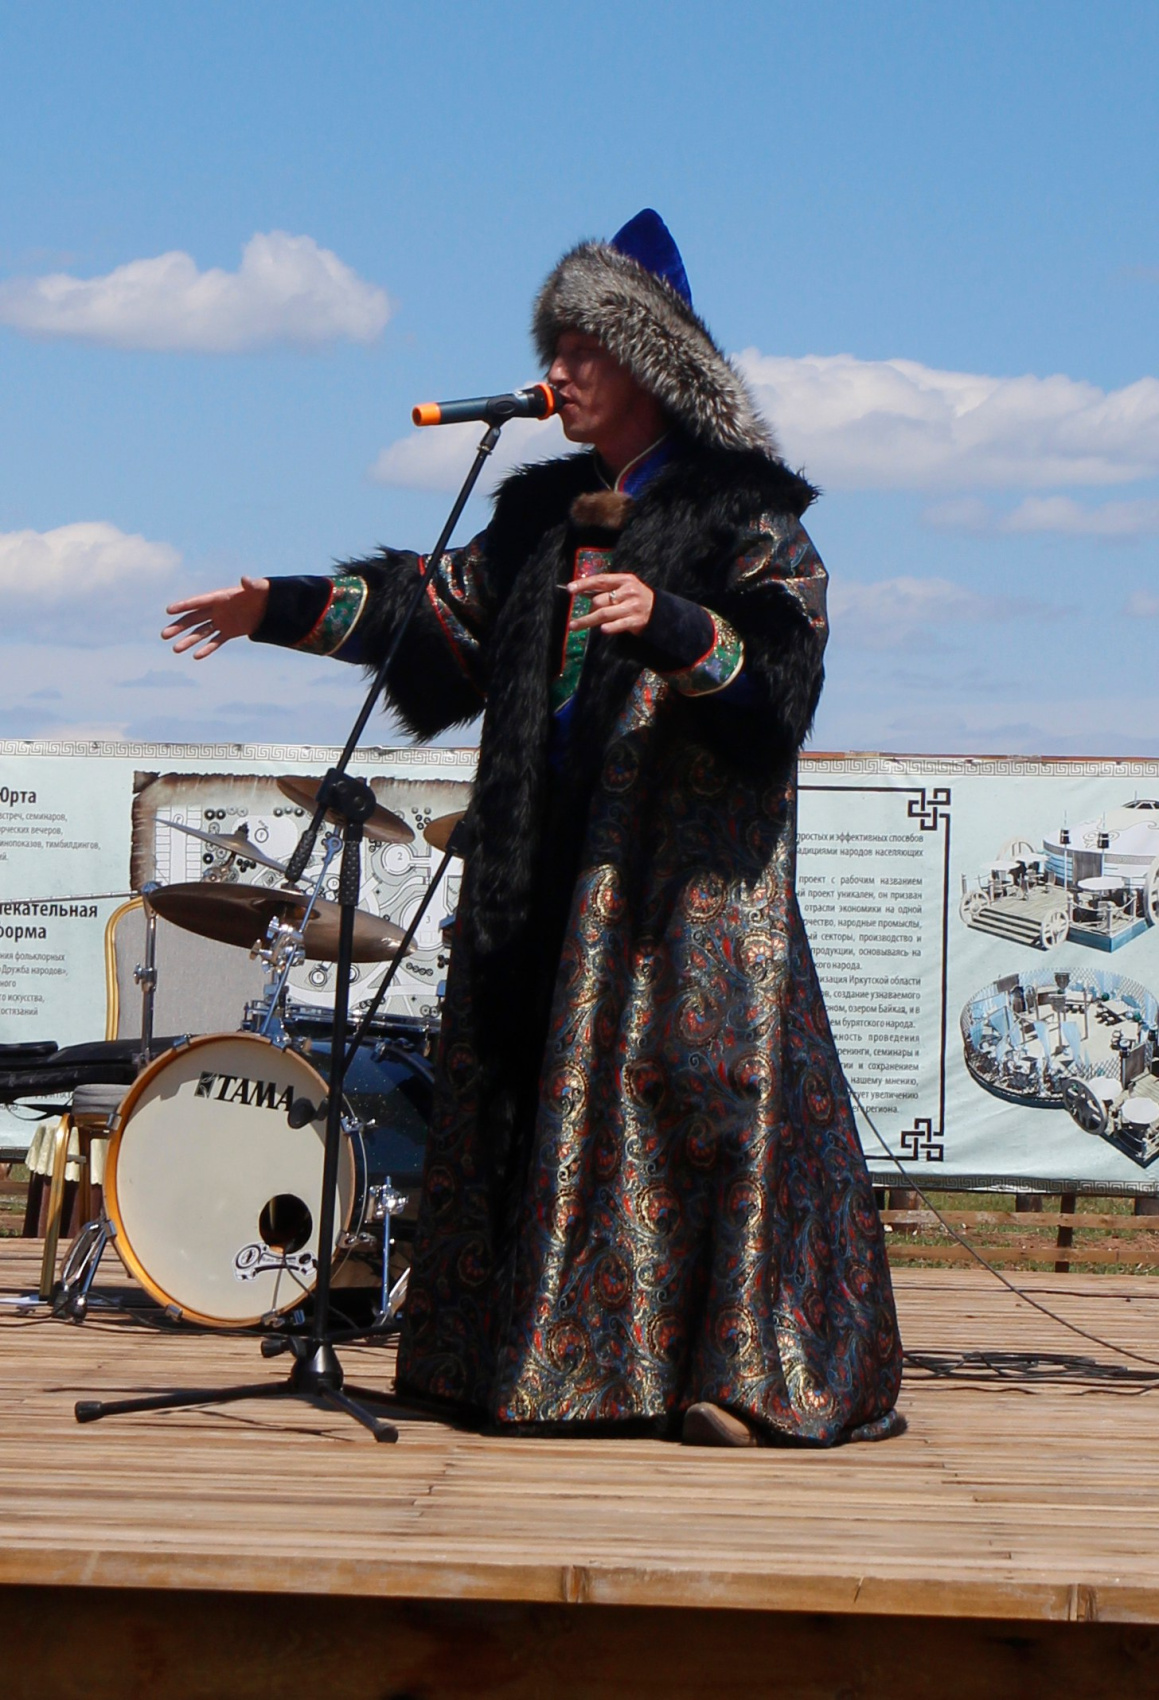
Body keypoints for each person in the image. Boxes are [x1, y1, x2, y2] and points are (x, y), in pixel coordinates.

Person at [162, 210, 903, 1447]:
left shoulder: (745, 514)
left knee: (697, 1107)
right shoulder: (541, 515)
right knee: (529, 1099)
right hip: (542, 870)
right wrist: (276, 605)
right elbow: (433, 608)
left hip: (679, 891)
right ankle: (524, 1364)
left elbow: (780, 676)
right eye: (551, 348)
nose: (554, 371)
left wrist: (670, 621)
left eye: (579, 349)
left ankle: (733, 1373)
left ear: (650, 362)